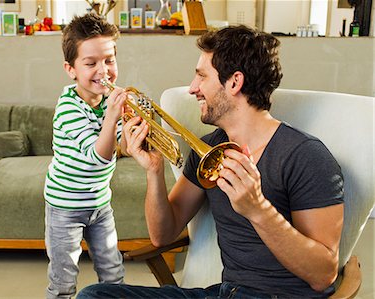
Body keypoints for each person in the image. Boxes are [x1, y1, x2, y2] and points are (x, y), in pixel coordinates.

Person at [77, 25, 344, 298]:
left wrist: (258, 209)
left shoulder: (306, 156)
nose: (193, 89)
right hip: (224, 293)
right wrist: (154, 171)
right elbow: (163, 235)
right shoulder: (209, 149)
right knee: (94, 295)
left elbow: (323, 275)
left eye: (201, 77)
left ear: (234, 82)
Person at [44, 13, 129, 299]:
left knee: (114, 273)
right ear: (71, 69)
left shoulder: (108, 101)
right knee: (64, 282)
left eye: (109, 60)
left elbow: (123, 146)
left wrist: (134, 126)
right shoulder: (69, 109)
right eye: (91, 63)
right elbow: (99, 156)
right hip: (65, 207)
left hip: (100, 203)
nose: (103, 71)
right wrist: (114, 116)